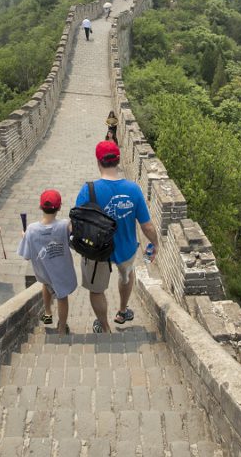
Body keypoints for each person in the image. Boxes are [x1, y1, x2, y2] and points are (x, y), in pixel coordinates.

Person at [75, 140, 158, 333]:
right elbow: (146, 226)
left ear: (98, 161)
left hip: (97, 252)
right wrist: (154, 244)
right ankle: (122, 311)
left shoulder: (88, 189)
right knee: (126, 276)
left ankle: (104, 327)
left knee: (97, 290)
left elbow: (75, 223)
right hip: (126, 249)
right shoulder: (133, 189)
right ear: (118, 160)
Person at [18, 189, 77, 334]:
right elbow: (73, 242)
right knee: (62, 298)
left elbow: (26, 256)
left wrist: (24, 237)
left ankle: (48, 312)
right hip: (61, 272)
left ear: (40, 207)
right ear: (59, 207)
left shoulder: (31, 229)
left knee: (46, 284)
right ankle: (62, 329)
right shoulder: (64, 225)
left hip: (44, 273)